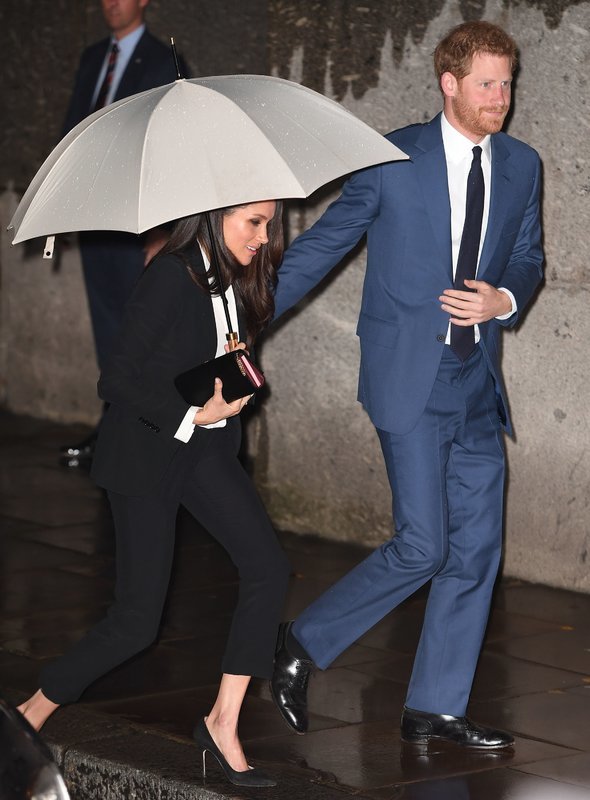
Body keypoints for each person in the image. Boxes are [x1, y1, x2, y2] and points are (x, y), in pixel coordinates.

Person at [270, 20, 543, 749]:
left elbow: (528, 258)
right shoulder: (392, 158)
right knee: (424, 545)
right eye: (486, 84)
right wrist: (237, 322)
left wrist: (503, 299)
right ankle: (300, 640)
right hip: (409, 378)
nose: (501, 98)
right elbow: (323, 245)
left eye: (507, 83)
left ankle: (435, 706)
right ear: (448, 84)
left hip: (477, 381)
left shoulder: (522, 165)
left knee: (476, 550)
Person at [18, 201, 291, 788]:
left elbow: (203, 357)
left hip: (206, 452)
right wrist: (195, 412)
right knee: (135, 623)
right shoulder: (170, 275)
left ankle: (223, 723)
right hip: (147, 454)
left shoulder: (235, 278)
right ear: (217, 214)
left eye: (270, 223)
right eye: (255, 222)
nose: (264, 236)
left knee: (267, 568)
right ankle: (31, 712)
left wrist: (233, 376)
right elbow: (116, 379)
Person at [60, 0, 188, 466]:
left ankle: (146, 431)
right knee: (108, 333)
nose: (112, 2)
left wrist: (162, 231)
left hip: (140, 223)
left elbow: (169, 148)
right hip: (96, 220)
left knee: (142, 333)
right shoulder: (93, 57)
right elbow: (74, 133)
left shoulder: (162, 59)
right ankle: (115, 427)